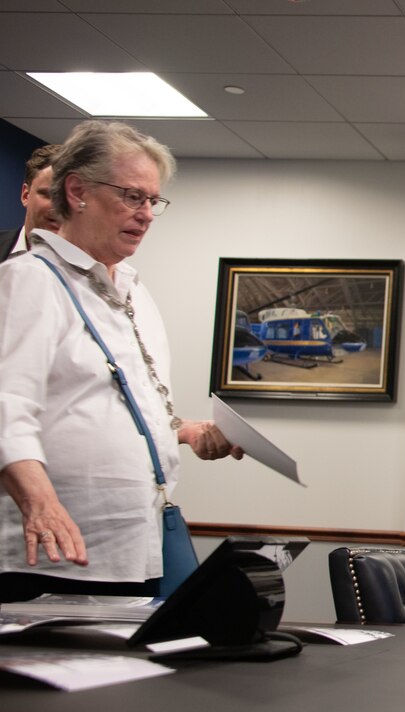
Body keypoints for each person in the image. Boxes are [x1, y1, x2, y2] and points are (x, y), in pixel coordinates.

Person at [0, 120, 243, 602]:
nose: (147, 214)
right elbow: (7, 406)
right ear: (78, 191)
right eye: (133, 196)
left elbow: (115, 401)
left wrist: (185, 430)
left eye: (154, 201)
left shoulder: (131, 289)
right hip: (55, 549)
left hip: (133, 543)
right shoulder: (31, 280)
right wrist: (40, 503)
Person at [0, 144, 62, 260]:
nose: (59, 207)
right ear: (25, 195)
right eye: (49, 195)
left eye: (66, 199)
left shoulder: (91, 273)